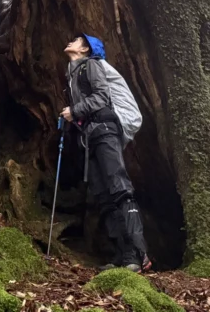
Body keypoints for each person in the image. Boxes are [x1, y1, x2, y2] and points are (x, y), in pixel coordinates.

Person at [61, 34, 150, 272]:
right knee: (104, 196)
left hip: (106, 131)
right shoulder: (73, 74)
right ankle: (122, 256)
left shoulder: (91, 65)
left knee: (119, 187)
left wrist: (75, 110)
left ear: (86, 48)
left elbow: (101, 97)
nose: (71, 41)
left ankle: (137, 255)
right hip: (91, 136)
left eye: (77, 39)